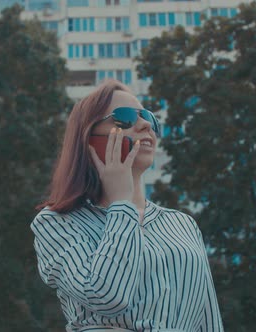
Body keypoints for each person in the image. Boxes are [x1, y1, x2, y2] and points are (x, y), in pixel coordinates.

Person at [31, 79, 224, 332]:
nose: (145, 125)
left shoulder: (183, 224)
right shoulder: (57, 223)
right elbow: (107, 296)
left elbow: (208, 321)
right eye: (125, 117)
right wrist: (122, 203)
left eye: (148, 118)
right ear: (90, 140)